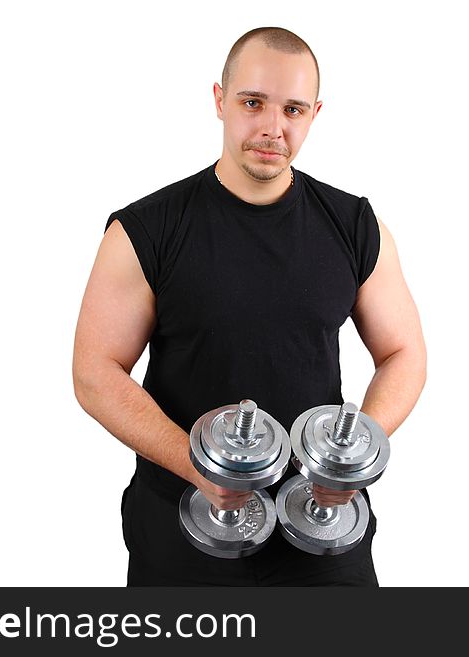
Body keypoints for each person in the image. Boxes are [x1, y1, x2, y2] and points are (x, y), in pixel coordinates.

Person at [72, 27, 427, 586]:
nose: (272, 128)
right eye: (253, 102)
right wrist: (198, 466)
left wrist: (347, 460)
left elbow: (404, 351)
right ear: (220, 100)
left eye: (293, 109)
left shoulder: (354, 226)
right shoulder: (147, 229)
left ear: (315, 113)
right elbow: (94, 373)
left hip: (321, 535)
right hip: (184, 531)